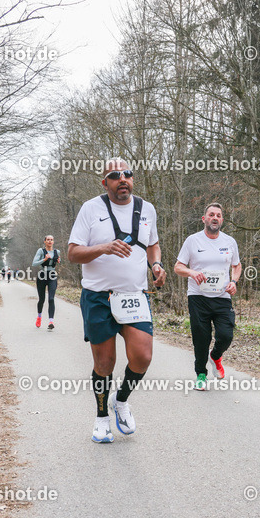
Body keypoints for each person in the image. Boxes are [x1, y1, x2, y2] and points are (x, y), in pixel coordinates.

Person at [68, 158, 166, 443]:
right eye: (114, 175)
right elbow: (73, 253)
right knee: (105, 363)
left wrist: (156, 265)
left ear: (133, 179)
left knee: (143, 357)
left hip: (134, 295)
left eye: (127, 174)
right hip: (98, 296)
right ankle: (101, 418)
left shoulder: (147, 209)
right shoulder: (90, 209)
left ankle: (120, 401)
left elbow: (153, 244)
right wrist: (103, 247)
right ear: (105, 182)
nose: (122, 178)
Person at [174, 203, 241, 391]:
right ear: (204, 219)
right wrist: (192, 273)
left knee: (226, 335)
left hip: (222, 297)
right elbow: (178, 267)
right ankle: (201, 375)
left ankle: (216, 356)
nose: (215, 218)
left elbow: (236, 265)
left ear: (222, 220)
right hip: (198, 297)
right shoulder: (192, 241)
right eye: (211, 214)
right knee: (201, 338)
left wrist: (234, 282)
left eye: (218, 215)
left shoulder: (229, 242)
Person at [32, 236, 61, 330]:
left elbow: (57, 261)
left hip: (52, 275)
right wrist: (44, 259)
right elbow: (34, 263)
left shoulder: (57, 252)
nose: (50, 241)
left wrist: (58, 261)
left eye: (51, 239)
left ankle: (51, 321)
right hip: (42, 275)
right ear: (45, 241)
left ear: (53, 241)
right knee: (42, 299)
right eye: (48, 239)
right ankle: (39, 317)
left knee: (51, 298)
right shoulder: (41, 251)